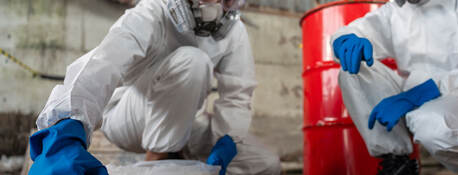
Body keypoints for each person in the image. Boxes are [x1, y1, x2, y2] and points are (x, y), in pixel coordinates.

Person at [28, 0, 281, 174]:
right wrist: (67, 126)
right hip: (128, 117)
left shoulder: (234, 31)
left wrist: (225, 143)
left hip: (182, 119)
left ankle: (174, 160)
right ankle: (160, 160)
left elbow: (238, 95)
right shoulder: (155, 10)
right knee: (193, 62)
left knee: (264, 164)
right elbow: (107, 59)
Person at [331, 0, 458, 174]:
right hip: (410, 96)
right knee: (353, 72)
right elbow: (355, 30)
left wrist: (420, 93)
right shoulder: (396, 11)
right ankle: (397, 163)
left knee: (431, 125)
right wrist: (344, 40)